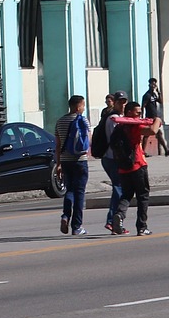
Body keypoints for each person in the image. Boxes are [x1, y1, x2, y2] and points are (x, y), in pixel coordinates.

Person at [105, 101, 161, 236]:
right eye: (138, 112)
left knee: (126, 194)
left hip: (123, 167)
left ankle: (119, 214)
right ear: (129, 112)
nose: (140, 115)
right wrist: (158, 120)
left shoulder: (119, 127)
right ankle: (142, 227)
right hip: (138, 165)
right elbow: (153, 130)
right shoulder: (135, 126)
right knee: (143, 196)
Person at [52, 95, 91, 237]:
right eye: (83, 105)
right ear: (77, 107)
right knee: (80, 193)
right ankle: (77, 226)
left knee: (69, 190)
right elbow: (88, 140)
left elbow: (57, 145)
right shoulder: (83, 120)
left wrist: (58, 164)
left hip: (65, 161)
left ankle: (65, 216)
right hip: (80, 160)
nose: (84, 108)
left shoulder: (60, 121)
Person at [90, 93, 128, 231]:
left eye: (125, 102)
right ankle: (112, 220)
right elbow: (116, 142)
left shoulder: (120, 117)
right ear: (114, 103)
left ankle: (114, 221)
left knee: (120, 188)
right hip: (112, 158)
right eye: (120, 102)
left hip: (112, 158)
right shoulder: (113, 119)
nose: (122, 105)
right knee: (119, 189)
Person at [143, 79, 169, 155]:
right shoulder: (146, 95)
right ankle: (143, 151)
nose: (153, 86)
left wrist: (158, 92)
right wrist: (142, 117)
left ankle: (166, 150)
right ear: (149, 85)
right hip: (149, 117)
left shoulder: (153, 95)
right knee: (147, 134)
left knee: (158, 133)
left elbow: (160, 101)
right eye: (152, 84)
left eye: (155, 84)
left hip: (155, 117)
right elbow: (143, 106)